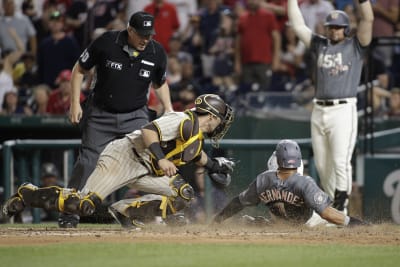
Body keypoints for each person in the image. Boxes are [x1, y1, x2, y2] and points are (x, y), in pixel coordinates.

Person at [3, 94, 235, 229]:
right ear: (212, 116)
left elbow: (195, 154)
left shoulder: (195, 135)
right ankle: (28, 193)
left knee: (183, 194)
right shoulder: (183, 119)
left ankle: (125, 211)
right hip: (125, 156)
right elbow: (148, 131)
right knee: (83, 206)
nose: (222, 124)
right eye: (221, 119)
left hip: (146, 169)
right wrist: (163, 159)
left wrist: (215, 165)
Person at [59, 11, 174, 228]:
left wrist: (168, 108)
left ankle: (166, 208)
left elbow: (160, 83)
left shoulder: (156, 51)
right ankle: (70, 211)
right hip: (101, 114)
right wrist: (75, 103)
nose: (146, 39)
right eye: (141, 34)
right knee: (87, 163)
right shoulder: (107, 42)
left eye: (149, 34)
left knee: (152, 160)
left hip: (136, 115)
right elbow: (79, 69)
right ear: (129, 30)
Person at [287, 0, 374, 220]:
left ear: (346, 29)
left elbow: (368, 19)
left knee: (340, 160)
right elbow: (298, 26)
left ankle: (341, 208)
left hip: (343, 109)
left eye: (338, 27)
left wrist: (363, 2)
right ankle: (330, 212)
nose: (334, 30)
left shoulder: (355, 45)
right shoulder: (320, 44)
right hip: (319, 109)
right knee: (323, 164)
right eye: (331, 27)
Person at [212, 140, 367, 227]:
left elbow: (238, 202)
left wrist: (217, 220)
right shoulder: (304, 182)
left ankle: (265, 224)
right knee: (332, 223)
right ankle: (266, 224)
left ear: (277, 160)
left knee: (261, 222)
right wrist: (354, 223)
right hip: (309, 223)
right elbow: (327, 213)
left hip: (297, 222)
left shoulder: (264, 179)